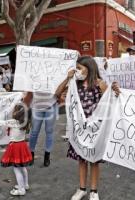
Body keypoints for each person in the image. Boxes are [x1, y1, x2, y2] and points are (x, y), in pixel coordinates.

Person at [55, 55, 120, 200]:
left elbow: (110, 103)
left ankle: (94, 191)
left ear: (89, 69)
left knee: (94, 161)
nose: (76, 71)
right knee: (82, 159)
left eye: (79, 68)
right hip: (79, 129)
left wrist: (115, 92)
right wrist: (67, 78)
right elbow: (57, 93)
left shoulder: (100, 84)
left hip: (94, 130)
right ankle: (82, 188)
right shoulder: (74, 84)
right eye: (76, 68)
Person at [0, 103, 32, 196]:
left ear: (17, 113)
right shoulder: (26, 122)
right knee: (22, 167)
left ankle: (21, 190)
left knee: (16, 169)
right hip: (22, 145)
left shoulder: (13, 122)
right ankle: (25, 184)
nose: (12, 111)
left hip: (15, 147)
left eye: (14, 110)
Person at [23, 90, 58, 167]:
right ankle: (31, 154)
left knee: (49, 131)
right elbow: (28, 88)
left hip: (51, 104)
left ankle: (47, 155)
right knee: (34, 131)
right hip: (36, 105)